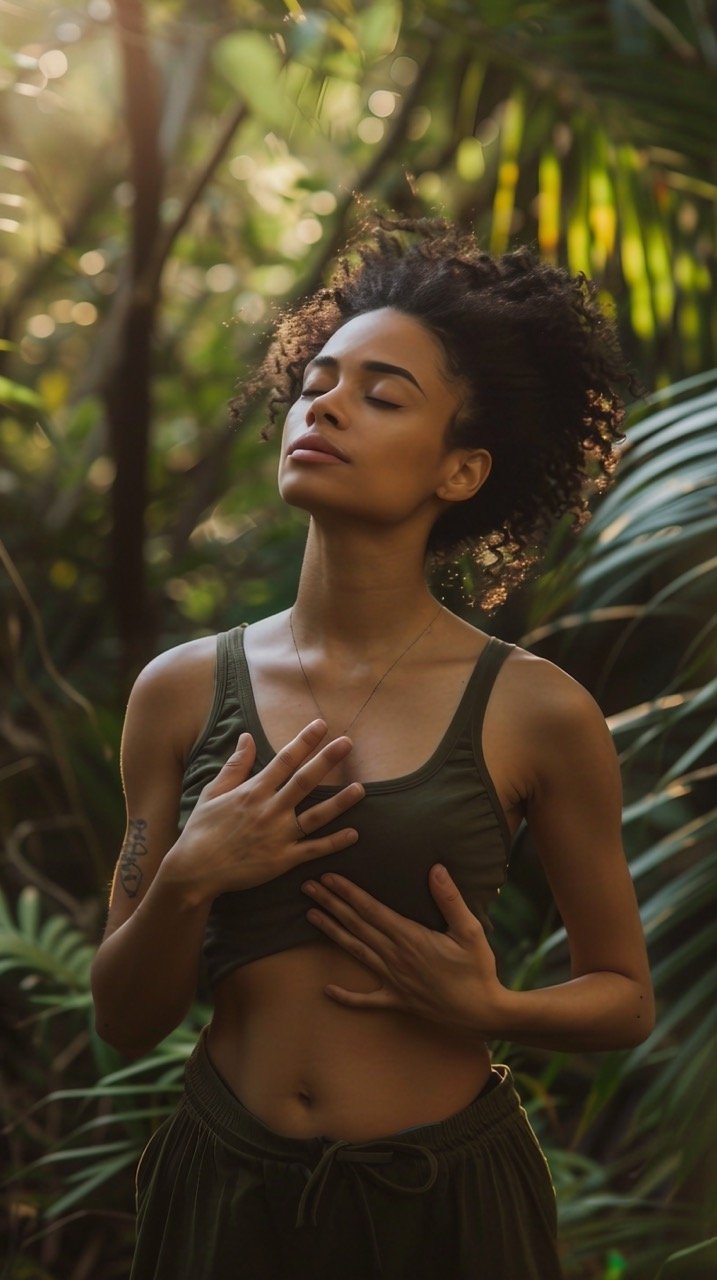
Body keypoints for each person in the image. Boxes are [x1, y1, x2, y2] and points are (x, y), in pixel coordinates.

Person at [90, 217, 655, 1280]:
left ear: (462, 469)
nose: (325, 404)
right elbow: (123, 1017)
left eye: (382, 394)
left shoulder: (536, 711)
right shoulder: (176, 692)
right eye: (316, 380)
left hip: (445, 1206)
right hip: (226, 1190)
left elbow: (622, 990)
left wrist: (495, 1009)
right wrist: (188, 878)